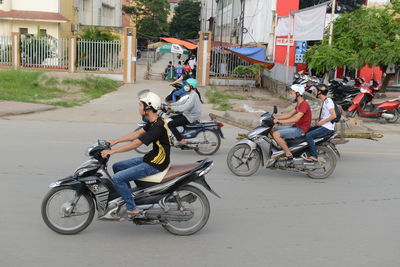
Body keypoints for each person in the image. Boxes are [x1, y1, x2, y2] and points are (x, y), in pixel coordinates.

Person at [101, 90, 170, 221]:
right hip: (151, 157)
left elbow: (135, 144)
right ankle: (129, 197)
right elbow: (137, 133)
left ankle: (132, 208)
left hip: (156, 163)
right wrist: (115, 141)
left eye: (140, 105)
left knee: (118, 178)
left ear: (148, 108)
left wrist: (112, 152)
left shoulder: (158, 126)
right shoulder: (153, 121)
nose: (139, 107)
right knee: (117, 166)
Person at [271, 84, 312, 159]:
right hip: (296, 127)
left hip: (301, 130)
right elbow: (289, 114)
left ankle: (288, 153)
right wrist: (275, 118)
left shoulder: (304, 104)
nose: (290, 95)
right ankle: (282, 146)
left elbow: (295, 119)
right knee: (273, 129)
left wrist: (281, 122)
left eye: (292, 93)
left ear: (298, 94)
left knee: (276, 134)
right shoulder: (299, 104)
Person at [305, 84, 336, 161]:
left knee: (309, 135)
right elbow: (326, 115)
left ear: (320, 92)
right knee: (305, 130)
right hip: (324, 125)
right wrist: (319, 121)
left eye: (316, 91)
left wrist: (321, 122)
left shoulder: (328, 101)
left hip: (327, 128)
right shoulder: (324, 101)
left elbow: (333, 115)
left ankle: (314, 155)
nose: (314, 93)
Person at [167, 78, 202, 145]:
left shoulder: (193, 95)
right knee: (171, 118)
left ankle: (180, 140)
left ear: (191, 86)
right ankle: (179, 133)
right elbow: (182, 102)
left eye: (188, 85)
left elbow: (185, 106)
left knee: (170, 124)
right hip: (188, 114)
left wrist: (172, 108)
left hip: (191, 116)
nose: (186, 86)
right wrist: (171, 104)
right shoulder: (191, 94)